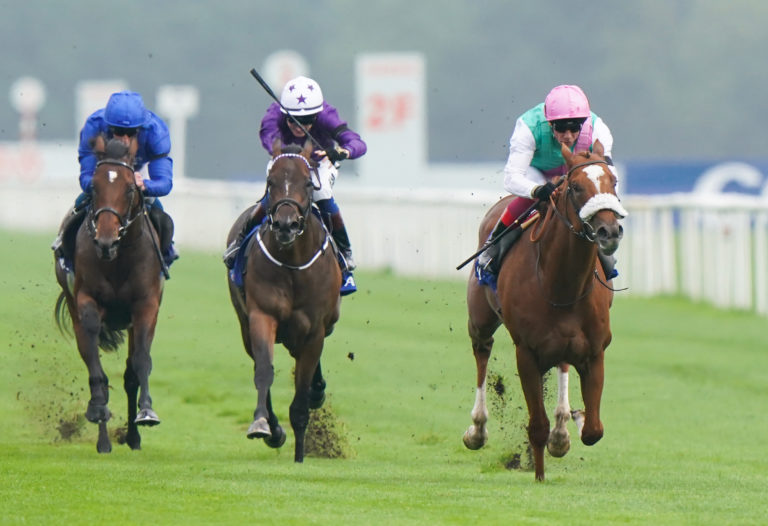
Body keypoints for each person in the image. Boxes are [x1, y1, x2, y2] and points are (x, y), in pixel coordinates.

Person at [223, 75, 366, 296]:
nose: (301, 126)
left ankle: (345, 257)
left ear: (317, 114)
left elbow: (356, 142)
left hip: (318, 163)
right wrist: (288, 154)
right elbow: (269, 138)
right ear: (284, 115)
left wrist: (340, 151)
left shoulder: (327, 116)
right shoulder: (274, 114)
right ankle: (240, 242)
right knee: (276, 195)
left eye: (309, 119)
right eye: (293, 120)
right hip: (285, 160)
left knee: (323, 194)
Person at [476, 84, 619, 285]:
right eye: (561, 128)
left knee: (592, 206)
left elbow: (609, 175)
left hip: (576, 172)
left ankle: (605, 256)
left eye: (574, 127)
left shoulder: (598, 129)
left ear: (582, 123)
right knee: (528, 201)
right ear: (549, 123)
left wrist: (607, 202)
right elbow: (511, 178)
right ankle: (491, 250)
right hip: (536, 172)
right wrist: (537, 189)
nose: (568, 135)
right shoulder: (528, 127)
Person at [52, 90, 178, 272]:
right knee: (79, 205)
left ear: (141, 129)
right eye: (118, 132)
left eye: (131, 133)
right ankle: (66, 253)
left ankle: (165, 255)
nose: (125, 140)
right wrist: (101, 184)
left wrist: (144, 185)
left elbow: (165, 183)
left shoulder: (156, 132)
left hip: (134, 179)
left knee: (160, 214)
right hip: (104, 177)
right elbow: (86, 177)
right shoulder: (94, 127)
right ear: (108, 127)